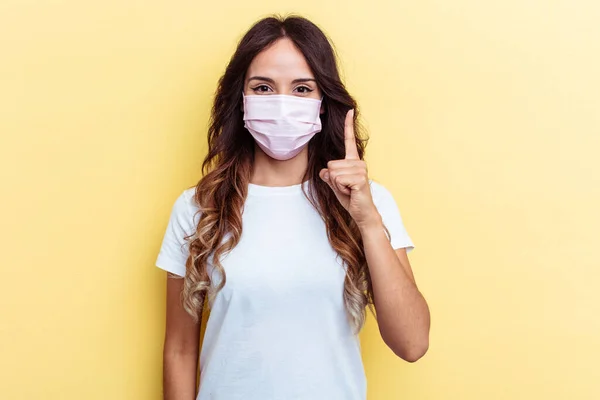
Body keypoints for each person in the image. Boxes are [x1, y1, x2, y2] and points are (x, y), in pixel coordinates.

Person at [155, 14, 430, 400]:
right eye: (264, 87)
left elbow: (413, 343)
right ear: (241, 99)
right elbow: (180, 350)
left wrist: (368, 221)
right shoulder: (198, 208)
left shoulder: (370, 203)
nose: (282, 103)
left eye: (302, 88)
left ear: (322, 102)